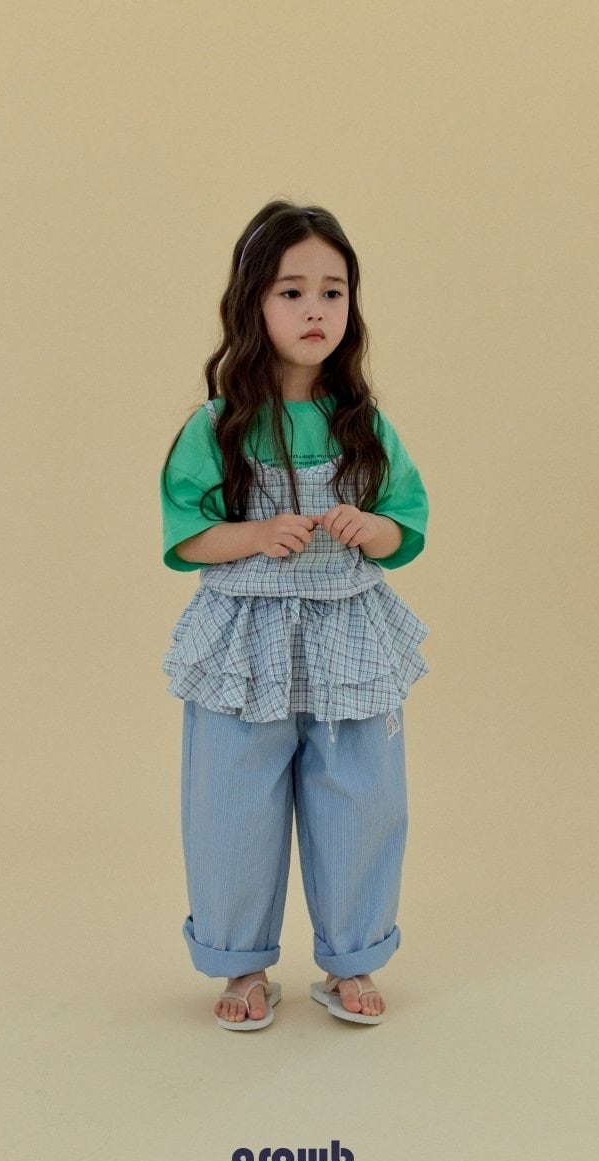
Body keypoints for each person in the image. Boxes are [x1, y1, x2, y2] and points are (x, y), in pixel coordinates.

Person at [159, 201, 429, 1030]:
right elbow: (186, 534)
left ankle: (352, 956)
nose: (316, 310)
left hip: (348, 635)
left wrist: (371, 527)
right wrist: (253, 535)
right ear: (253, 303)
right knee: (232, 802)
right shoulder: (218, 426)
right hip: (245, 641)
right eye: (292, 291)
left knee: (361, 796)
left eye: (332, 292)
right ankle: (242, 963)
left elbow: (405, 525)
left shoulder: (364, 425)